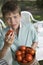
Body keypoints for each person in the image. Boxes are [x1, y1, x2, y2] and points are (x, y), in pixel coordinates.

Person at [0, 1, 39, 65]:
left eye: (15, 17)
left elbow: (35, 41)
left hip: (31, 60)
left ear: (20, 16)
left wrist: (31, 51)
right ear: (4, 19)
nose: (12, 21)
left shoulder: (29, 27)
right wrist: (6, 45)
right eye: (8, 18)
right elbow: (1, 56)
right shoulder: (3, 33)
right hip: (16, 62)